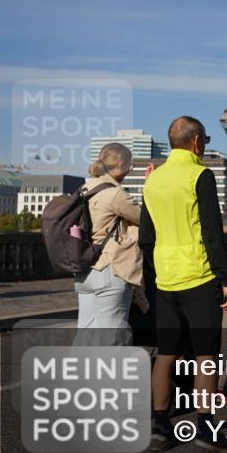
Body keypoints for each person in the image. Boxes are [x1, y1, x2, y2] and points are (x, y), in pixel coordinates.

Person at [140, 116, 227, 453]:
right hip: (199, 276)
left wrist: (155, 278)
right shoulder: (201, 175)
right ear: (196, 142)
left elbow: (146, 238)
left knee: (166, 355)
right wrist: (226, 280)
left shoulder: (152, 181)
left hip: (165, 279)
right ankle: (204, 432)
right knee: (206, 357)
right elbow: (212, 232)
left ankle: (159, 428)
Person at [75, 143, 146, 345]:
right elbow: (147, 220)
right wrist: (149, 186)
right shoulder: (115, 194)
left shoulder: (84, 188)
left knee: (86, 337)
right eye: (130, 166)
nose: (130, 170)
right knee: (111, 339)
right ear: (122, 164)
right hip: (109, 271)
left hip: (85, 271)